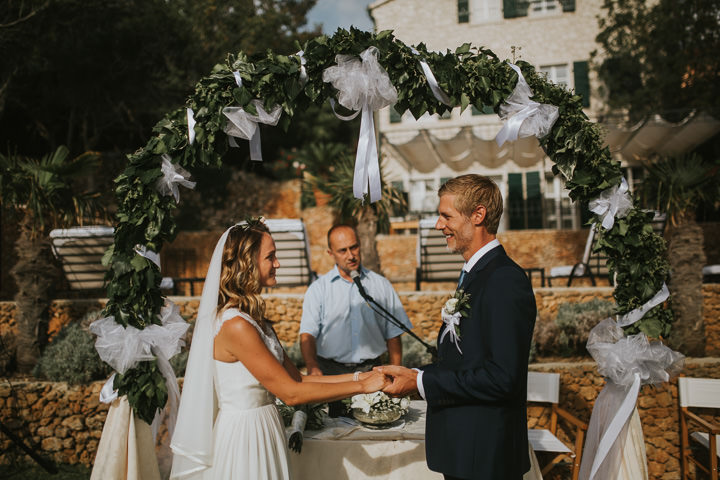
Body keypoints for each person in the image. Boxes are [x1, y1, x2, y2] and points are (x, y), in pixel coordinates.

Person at [170, 219, 389, 480]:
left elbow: (299, 379)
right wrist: (363, 387)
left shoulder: (254, 319)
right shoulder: (235, 325)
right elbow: (291, 393)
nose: (278, 263)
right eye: (270, 256)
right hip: (245, 436)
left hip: (266, 427)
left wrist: (363, 376)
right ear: (247, 263)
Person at [378, 175, 537, 480]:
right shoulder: (476, 275)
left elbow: (502, 378)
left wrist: (421, 383)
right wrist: (413, 374)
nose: (439, 225)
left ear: (478, 215)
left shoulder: (504, 280)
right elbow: (464, 361)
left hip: (485, 459)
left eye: (446, 216)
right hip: (466, 455)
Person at [299, 224, 412, 415]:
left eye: (354, 247)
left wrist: (395, 372)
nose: (351, 255)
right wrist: (312, 366)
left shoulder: (380, 285)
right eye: (342, 250)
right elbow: (307, 334)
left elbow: (393, 334)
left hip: (372, 372)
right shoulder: (319, 289)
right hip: (332, 375)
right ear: (330, 253)